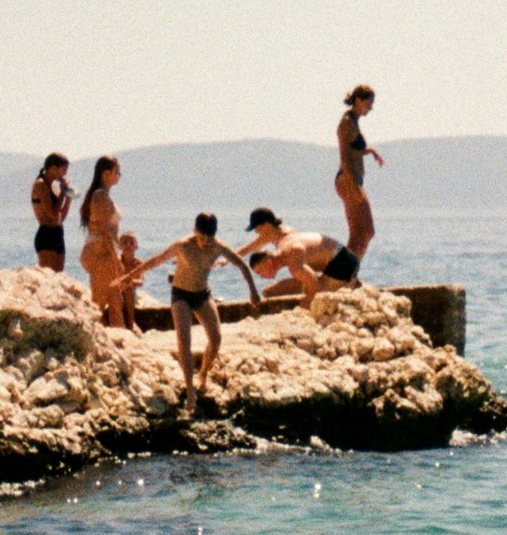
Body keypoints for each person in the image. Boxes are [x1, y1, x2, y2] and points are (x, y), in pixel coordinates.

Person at [132, 214, 260, 398]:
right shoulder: (182, 245)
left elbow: (242, 265)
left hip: (202, 294)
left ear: (214, 236)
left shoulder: (218, 247)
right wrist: (129, 277)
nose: (205, 242)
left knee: (216, 339)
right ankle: (190, 388)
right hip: (181, 295)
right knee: (184, 342)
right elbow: (155, 260)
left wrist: (253, 291)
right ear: (194, 231)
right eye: (201, 237)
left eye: (209, 238)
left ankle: (203, 374)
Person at [234, 206, 368, 301]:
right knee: (274, 290)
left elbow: (318, 291)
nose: (256, 233)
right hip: (342, 258)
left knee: (306, 289)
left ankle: (349, 282)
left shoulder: (290, 253)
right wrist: (229, 258)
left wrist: (302, 308)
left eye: (259, 272)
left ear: (267, 225)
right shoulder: (279, 241)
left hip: (341, 264)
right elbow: (252, 246)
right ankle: (353, 283)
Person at [77, 158, 124, 324]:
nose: (119, 175)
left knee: (115, 301)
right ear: (106, 174)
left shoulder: (101, 196)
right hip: (100, 254)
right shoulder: (100, 197)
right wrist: (116, 259)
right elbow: (105, 233)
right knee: (100, 302)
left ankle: (121, 340)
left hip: (103, 252)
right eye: (117, 172)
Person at [335, 86, 382, 251]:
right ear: (359, 100)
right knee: (365, 231)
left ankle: (349, 274)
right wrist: (354, 187)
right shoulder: (347, 123)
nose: (371, 108)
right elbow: (345, 157)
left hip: (352, 179)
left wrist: (369, 151)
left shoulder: (353, 121)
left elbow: (353, 150)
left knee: (361, 233)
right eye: (369, 104)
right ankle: (345, 274)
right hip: (348, 179)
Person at [31, 154, 73, 273]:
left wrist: (68, 198)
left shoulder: (53, 187)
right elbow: (52, 214)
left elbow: (59, 217)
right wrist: (62, 193)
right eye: (63, 170)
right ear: (53, 168)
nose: (64, 174)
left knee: (58, 275)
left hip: (57, 234)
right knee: (48, 276)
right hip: (46, 235)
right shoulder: (41, 185)